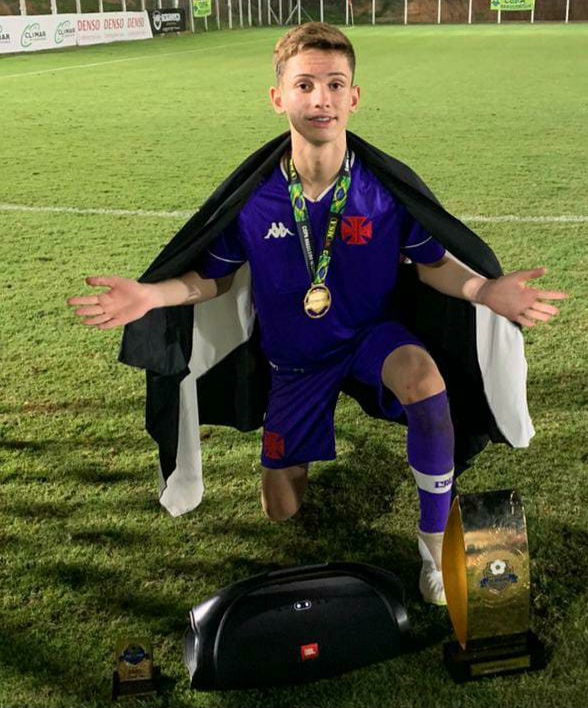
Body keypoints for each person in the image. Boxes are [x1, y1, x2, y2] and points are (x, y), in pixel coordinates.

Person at [68, 23, 566, 605]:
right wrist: (153, 296)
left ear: (354, 96)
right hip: (296, 360)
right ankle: (290, 463)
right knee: (283, 508)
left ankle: (433, 546)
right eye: (304, 84)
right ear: (279, 97)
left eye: (334, 84)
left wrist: (484, 291)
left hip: (371, 337)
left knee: (424, 380)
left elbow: (431, 263)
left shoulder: (381, 188)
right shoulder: (255, 198)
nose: (320, 99)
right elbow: (214, 278)